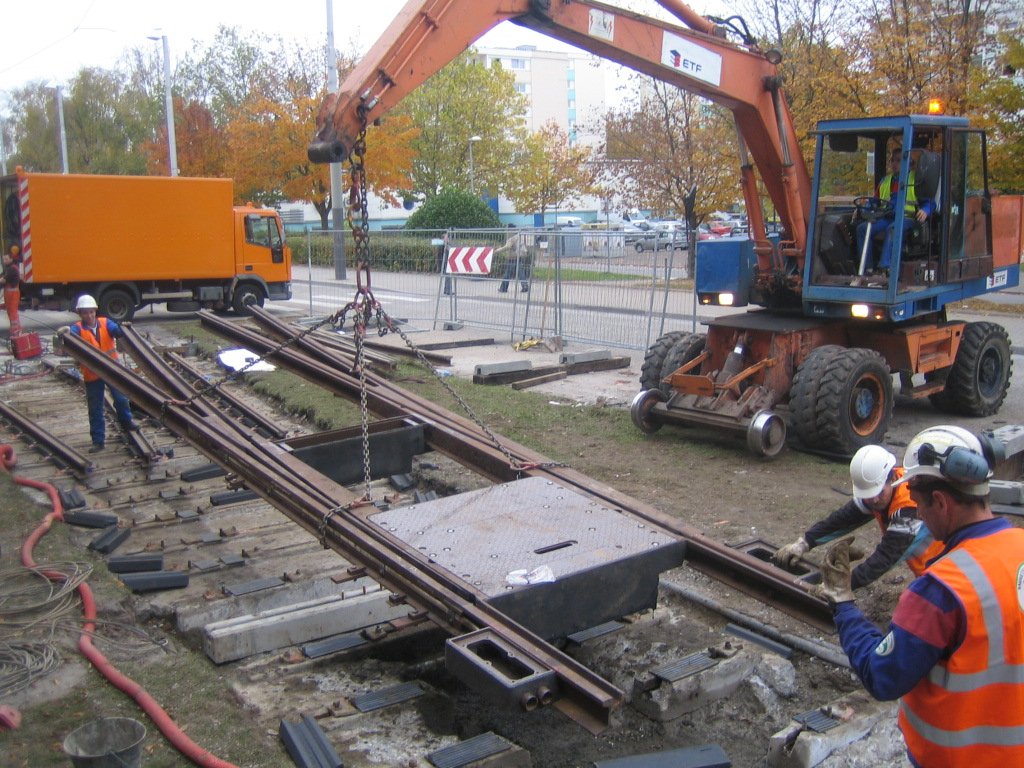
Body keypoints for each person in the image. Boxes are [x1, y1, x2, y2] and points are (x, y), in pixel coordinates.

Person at [815, 425, 1024, 767]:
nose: (918, 513)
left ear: (940, 502)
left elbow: (882, 676)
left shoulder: (940, 589)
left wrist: (843, 603)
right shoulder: (1019, 547)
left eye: (919, 502)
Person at [773, 444, 942, 588]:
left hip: (943, 575)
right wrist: (804, 543)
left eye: (879, 492)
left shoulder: (909, 508)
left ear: (891, 478)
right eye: (868, 495)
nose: (874, 500)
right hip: (930, 574)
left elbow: (885, 557)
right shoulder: (877, 492)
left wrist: (842, 586)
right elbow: (843, 519)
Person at [65, 294, 139, 453]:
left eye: (91, 312)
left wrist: (122, 330)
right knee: (95, 408)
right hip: (92, 375)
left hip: (112, 370)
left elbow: (116, 330)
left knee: (121, 399)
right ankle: (98, 440)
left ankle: (127, 422)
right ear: (80, 314)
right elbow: (69, 338)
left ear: (95, 311)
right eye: (85, 312)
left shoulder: (106, 323)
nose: (89, 315)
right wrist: (63, 335)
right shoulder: (76, 328)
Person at [854, 148, 935, 273]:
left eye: (899, 160)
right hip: (887, 217)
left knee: (893, 228)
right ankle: (867, 268)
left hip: (907, 219)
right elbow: (874, 201)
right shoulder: (886, 181)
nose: (894, 164)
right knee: (862, 228)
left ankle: (885, 267)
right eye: (892, 160)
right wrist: (862, 207)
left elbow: (930, 203)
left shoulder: (916, 180)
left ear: (909, 163)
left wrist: (925, 210)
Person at [1, 245, 22, 335]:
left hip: (12, 294)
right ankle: (14, 330)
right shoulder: (9, 269)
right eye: (3, 259)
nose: (4, 261)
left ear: (11, 259)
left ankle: (16, 331)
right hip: (9, 294)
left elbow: (3, 280)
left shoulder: (12, 269)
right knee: (10, 312)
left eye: (6, 259)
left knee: (13, 313)